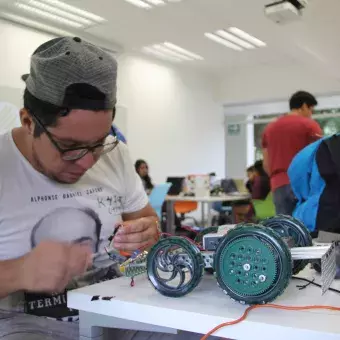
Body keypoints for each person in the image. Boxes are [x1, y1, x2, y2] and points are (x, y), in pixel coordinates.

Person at [0, 36, 204, 340]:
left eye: (98, 144)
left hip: (119, 311)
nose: (87, 163)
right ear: (28, 122)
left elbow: (148, 224)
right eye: (69, 147)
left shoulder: (117, 152)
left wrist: (148, 233)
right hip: (28, 324)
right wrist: (18, 272)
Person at [262, 90, 323, 215]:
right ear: (304, 106)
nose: (311, 114)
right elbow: (321, 157)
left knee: (284, 227)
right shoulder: (310, 125)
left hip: (278, 184)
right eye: (311, 110)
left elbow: (266, 165)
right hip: (304, 184)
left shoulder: (270, 128)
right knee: (307, 228)